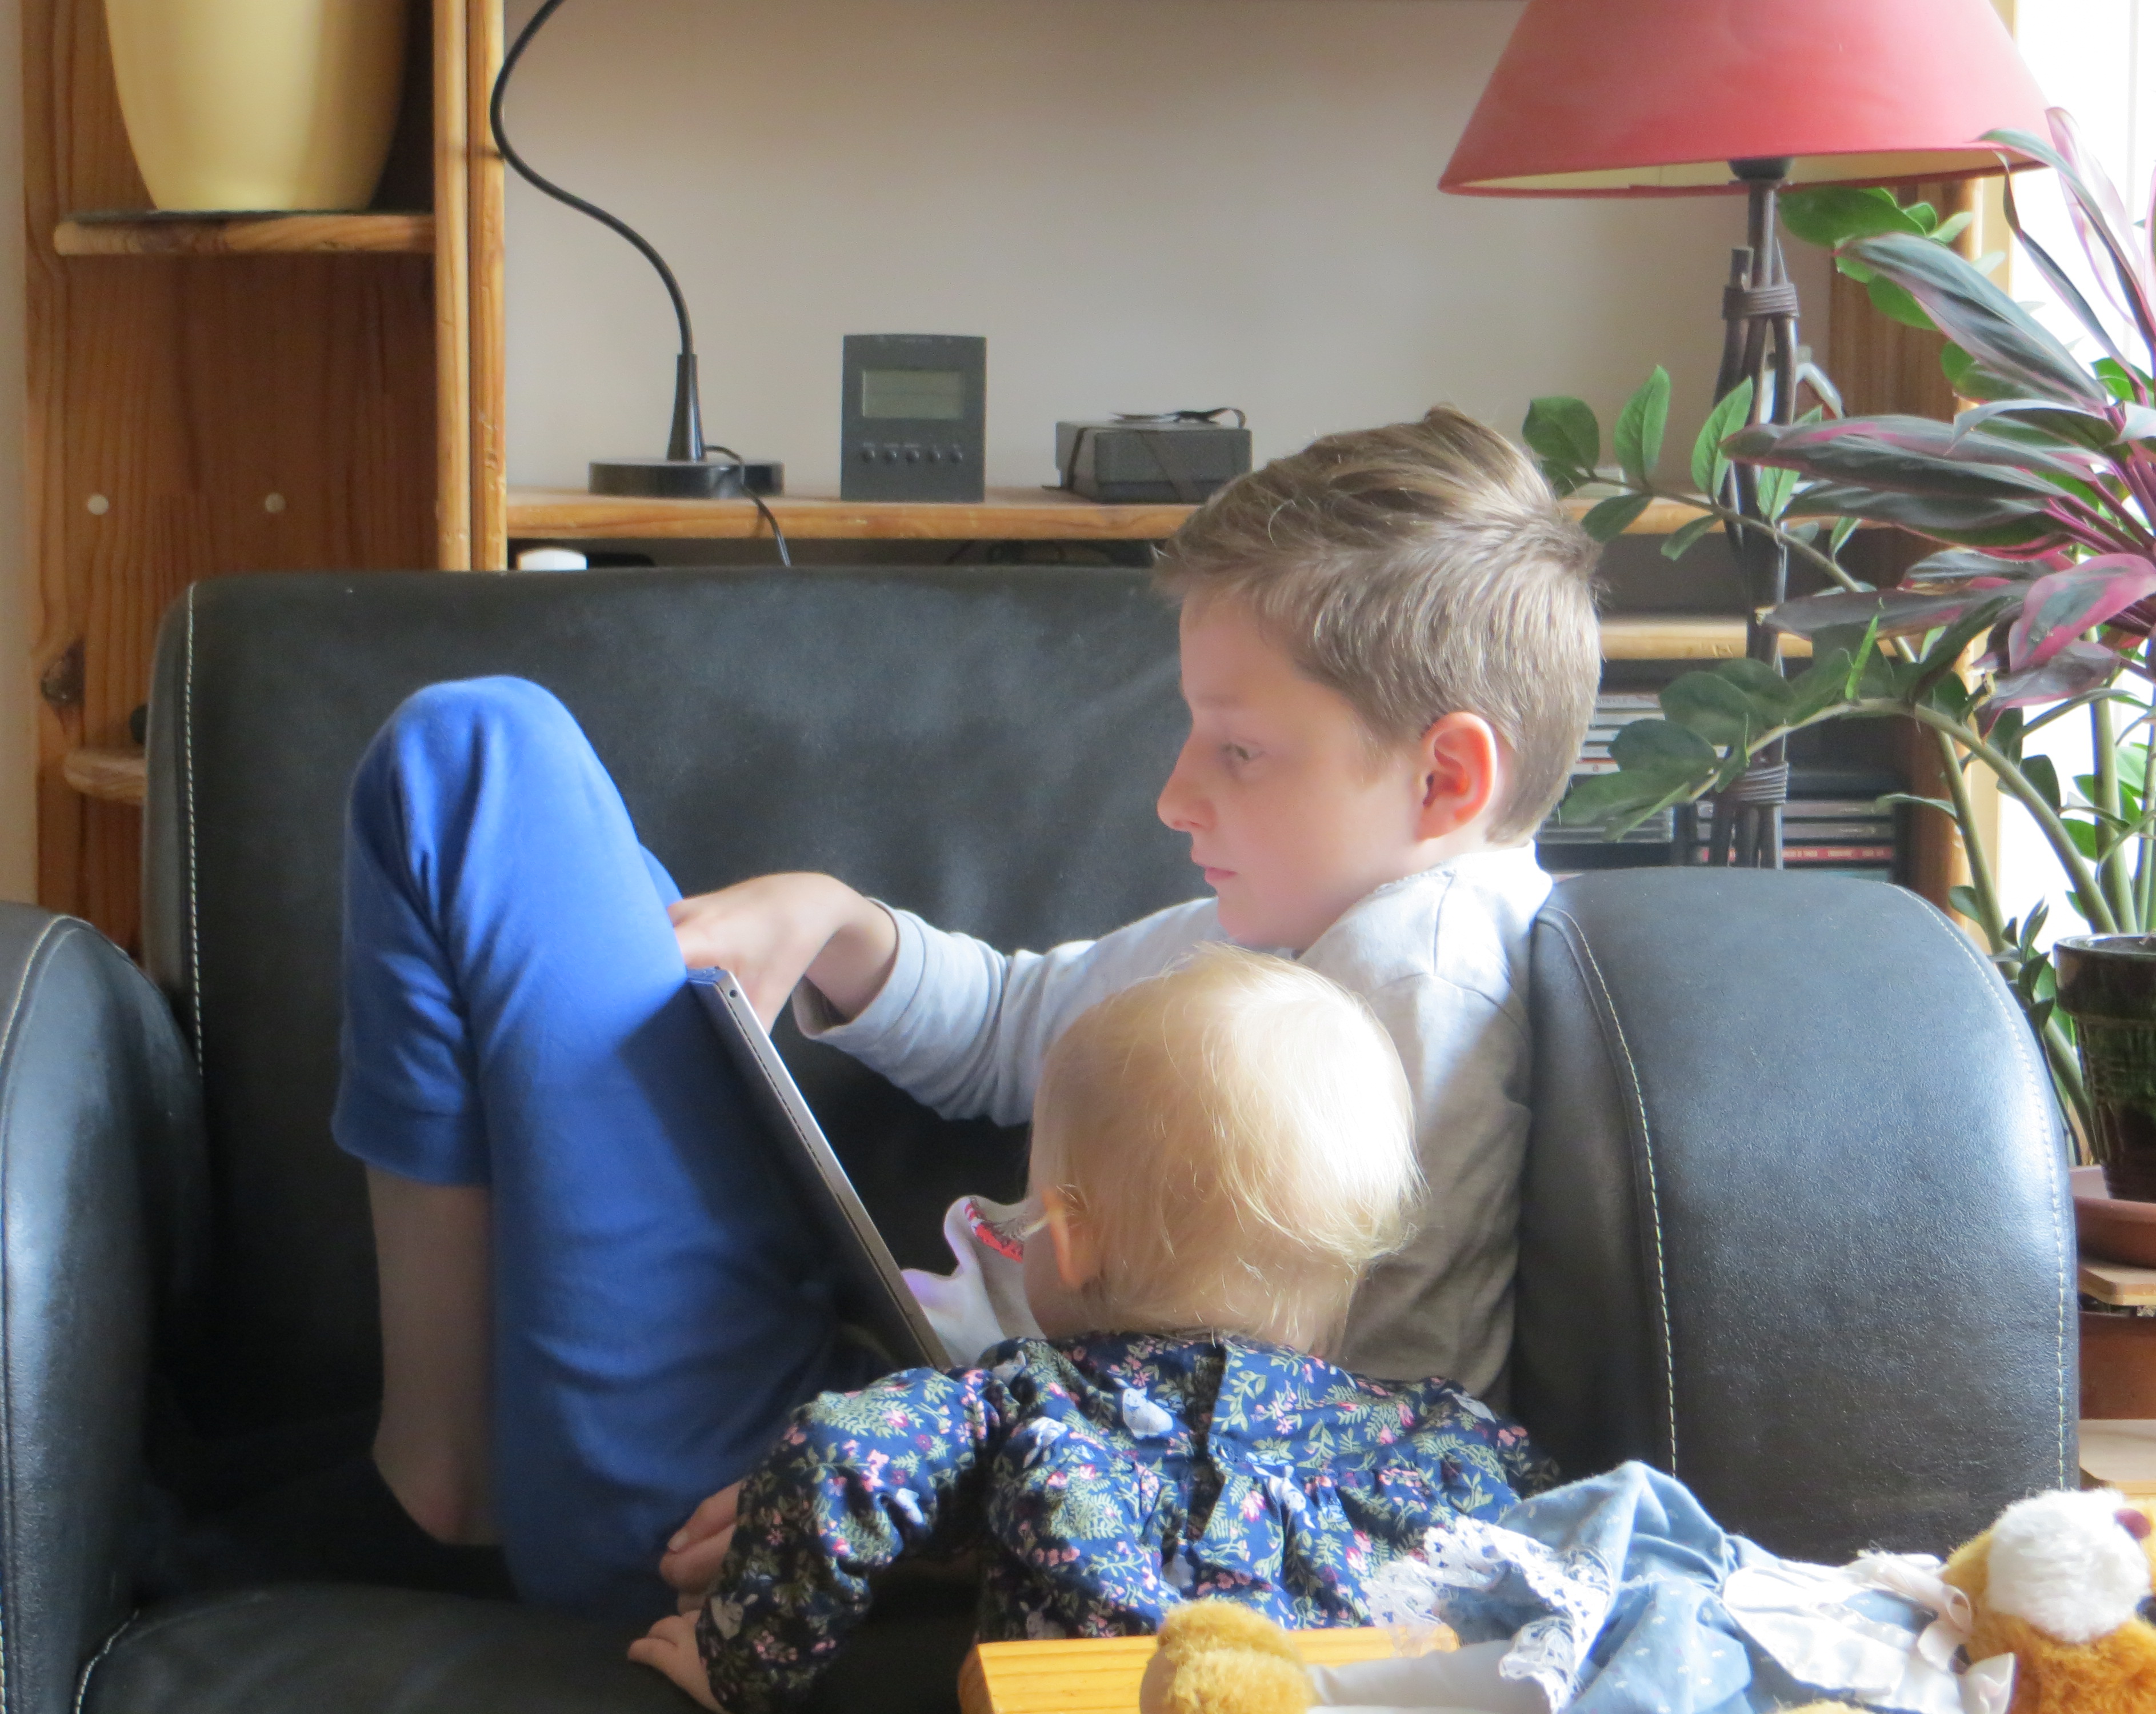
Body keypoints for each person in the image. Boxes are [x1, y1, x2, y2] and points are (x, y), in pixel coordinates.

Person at [335, 405, 1602, 1619]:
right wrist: (841, 925)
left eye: (1238, 749)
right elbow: (1013, 1021)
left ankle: (448, 1479)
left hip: (819, 1498)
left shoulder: (1421, 980)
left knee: (472, 752)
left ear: (1444, 778)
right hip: (864, 1409)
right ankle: (466, 1466)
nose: (1173, 796)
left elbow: (1372, 1454)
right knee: (497, 771)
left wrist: (925, 1525)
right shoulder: (1285, 926)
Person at [623, 948, 1554, 1712]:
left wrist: (739, 1663)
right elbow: (1572, 1563)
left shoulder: (1023, 1401)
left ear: (1065, 1240)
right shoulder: (1449, 1439)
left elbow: (839, 1455)